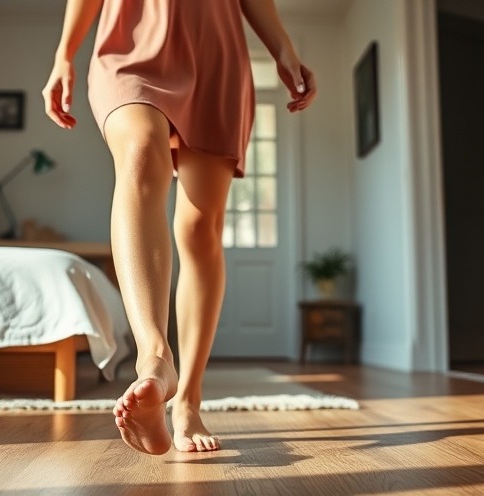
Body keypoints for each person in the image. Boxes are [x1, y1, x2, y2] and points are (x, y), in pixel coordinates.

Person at [42, 0, 316, 455]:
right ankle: (155, 357)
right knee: (139, 153)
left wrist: (283, 48)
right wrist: (64, 53)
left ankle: (188, 400)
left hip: (216, 49)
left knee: (198, 228)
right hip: (128, 40)